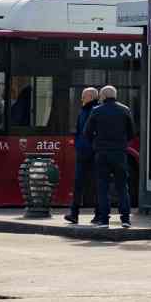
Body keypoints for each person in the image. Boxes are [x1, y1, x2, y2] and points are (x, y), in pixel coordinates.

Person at [84, 84, 135, 228]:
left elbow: (87, 133)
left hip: (102, 154)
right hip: (119, 153)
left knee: (103, 187)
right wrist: (122, 143)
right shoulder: (125, 110)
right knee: (122, 187)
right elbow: (132, 132)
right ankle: (125, 219)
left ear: (104, 96)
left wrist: (96, 143)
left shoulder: (96, 111)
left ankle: (104, 220)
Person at [64, 87, 99, 225]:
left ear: (90, 96)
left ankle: (77, 214)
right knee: (90, 184)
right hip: (88, 151)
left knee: (83, 183)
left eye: (84, 96)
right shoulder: (86, 110)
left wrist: (80, 144)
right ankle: (78, 214)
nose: (81, 99)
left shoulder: (94, 111)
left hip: (89, 152)